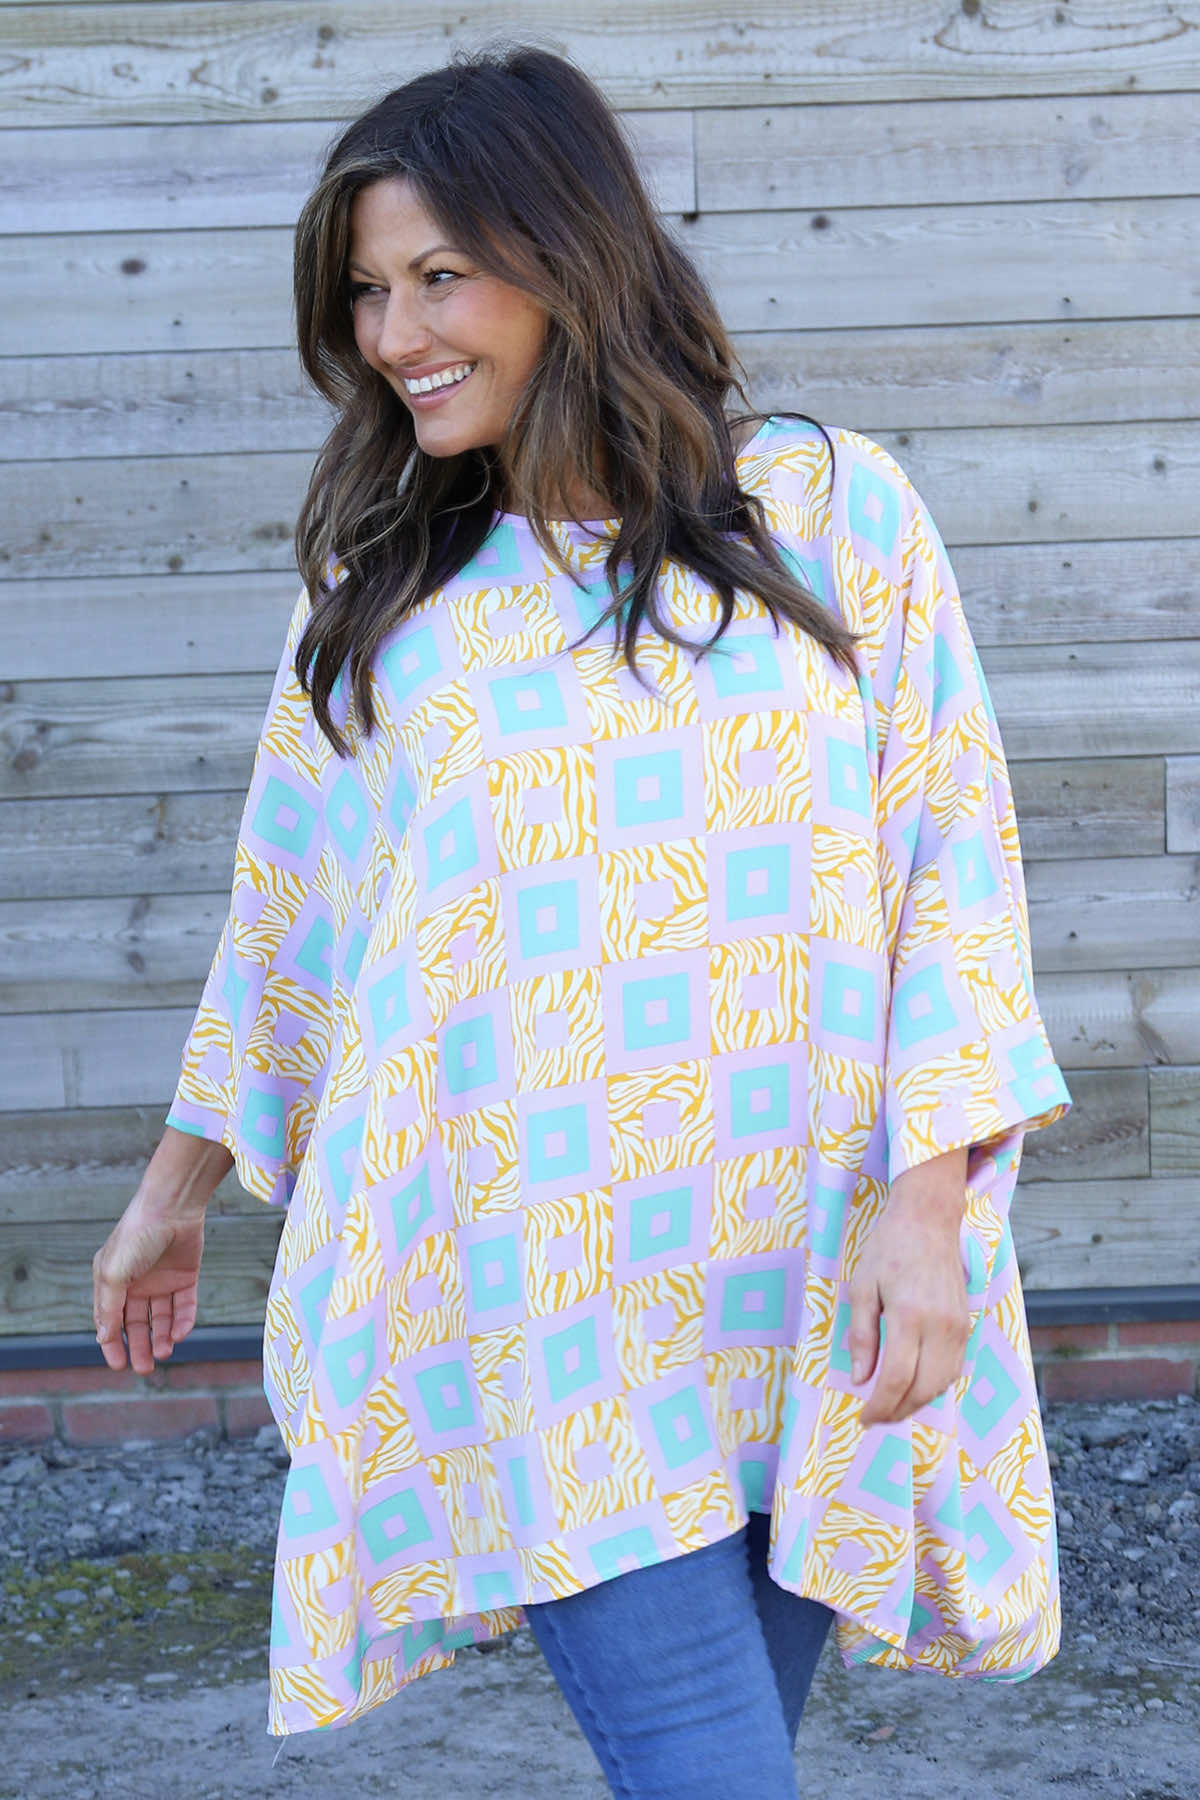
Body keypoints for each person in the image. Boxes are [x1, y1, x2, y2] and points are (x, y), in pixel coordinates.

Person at [91, 44, 1073, 1796]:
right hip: (540, 1296)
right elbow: (290, 931)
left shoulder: (831, 510)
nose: (395, 336)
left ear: (568, 257)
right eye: (369, 293)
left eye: (439, 277)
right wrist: (173, 1196)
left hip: (799, 1280)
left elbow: (952, 868)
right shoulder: (383, 602)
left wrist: (927, 1208)